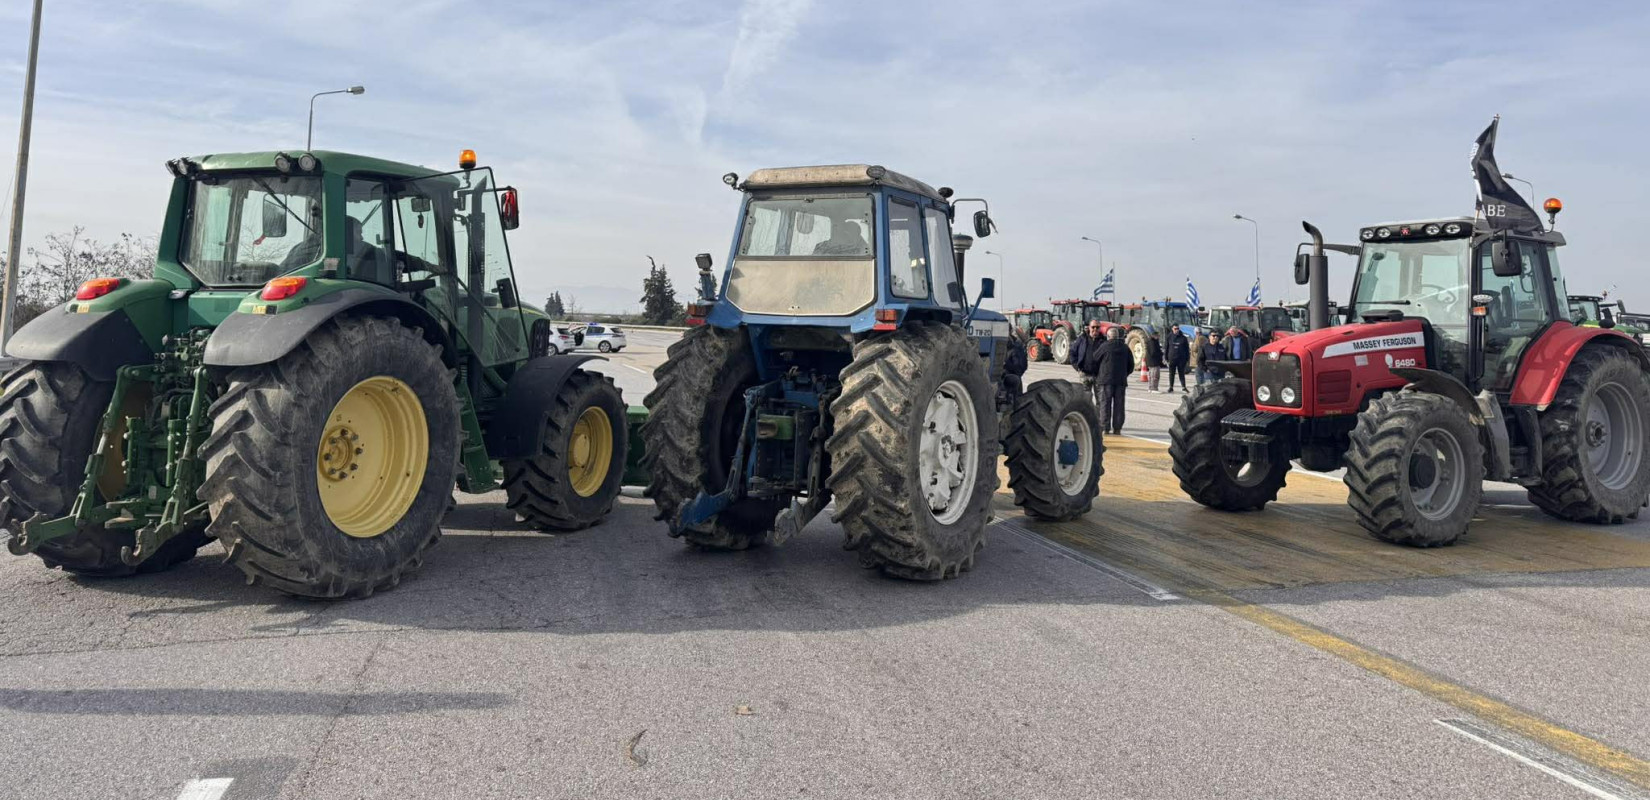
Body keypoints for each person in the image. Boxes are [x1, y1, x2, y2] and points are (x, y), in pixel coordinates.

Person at [1073, 323, 1133, 435]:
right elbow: (1131, 366)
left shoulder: (1105, 346)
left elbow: (1095, 359)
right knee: (1119, 405)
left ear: (1108, 336)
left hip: (1105, 380)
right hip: (1121, 381)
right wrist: (1124, 374)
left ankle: (1105, 427)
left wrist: (1099, 372)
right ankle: (1117, 428)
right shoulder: (1125, 348)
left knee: (1105, 404)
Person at [1166, 327, 1191, 392]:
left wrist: (1187, 359)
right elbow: (1167, 348)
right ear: (1172, 329)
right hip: (1172, 359)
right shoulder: (1169, 337)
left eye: (1177, 329)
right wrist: (1166, 358)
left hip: (1181, 359)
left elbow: (1187, 349)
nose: (1176, 330)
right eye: (1175, 329)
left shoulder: (1183, 338)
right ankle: (1171, 387)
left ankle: (1183, 387)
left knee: (1181, 373)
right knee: (1171, 373)